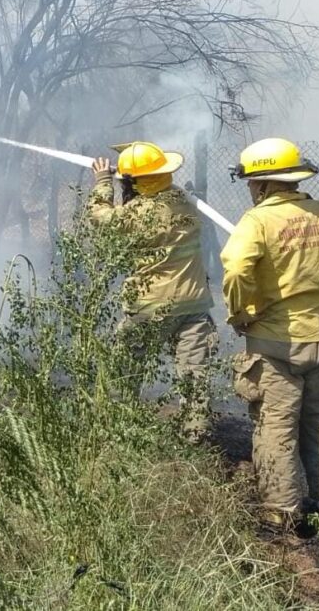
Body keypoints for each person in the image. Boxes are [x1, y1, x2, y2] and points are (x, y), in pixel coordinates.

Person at [220, 137, 319, 530]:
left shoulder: (257, 221)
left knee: (276, 425)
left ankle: (281, 511)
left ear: (261, 184)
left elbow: (238, 270)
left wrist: (240, 313)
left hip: (274, 346)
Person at [90, 141, 218, 438]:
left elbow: (99, 217)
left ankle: (119, 432)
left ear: (133, 183)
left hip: (149, 307)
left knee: (125, 372)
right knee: (195, 378)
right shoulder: (186, 203)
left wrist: (103, 181)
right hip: (194, 305)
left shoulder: (135, 214)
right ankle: (194, 439)